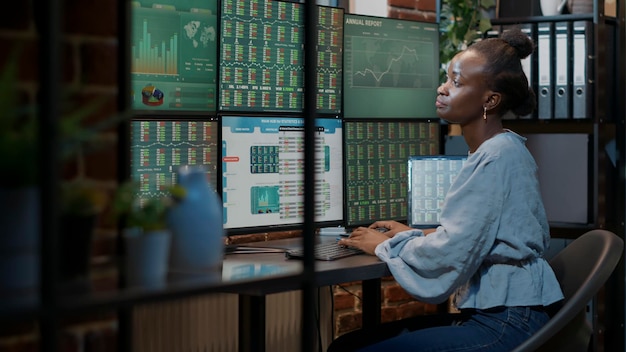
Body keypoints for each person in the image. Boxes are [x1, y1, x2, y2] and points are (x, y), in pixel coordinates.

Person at [328, 29, 564, 352]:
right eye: (446, 79)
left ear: (490, 100)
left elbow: (451, 253)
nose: (442, 88)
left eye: (456, 82)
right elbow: (472, 237)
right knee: (349, 344)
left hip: (506, 322)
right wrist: (412, 233)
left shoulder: (497, 157)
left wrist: (385, 246)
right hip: (504, 314)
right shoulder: (495, 150)